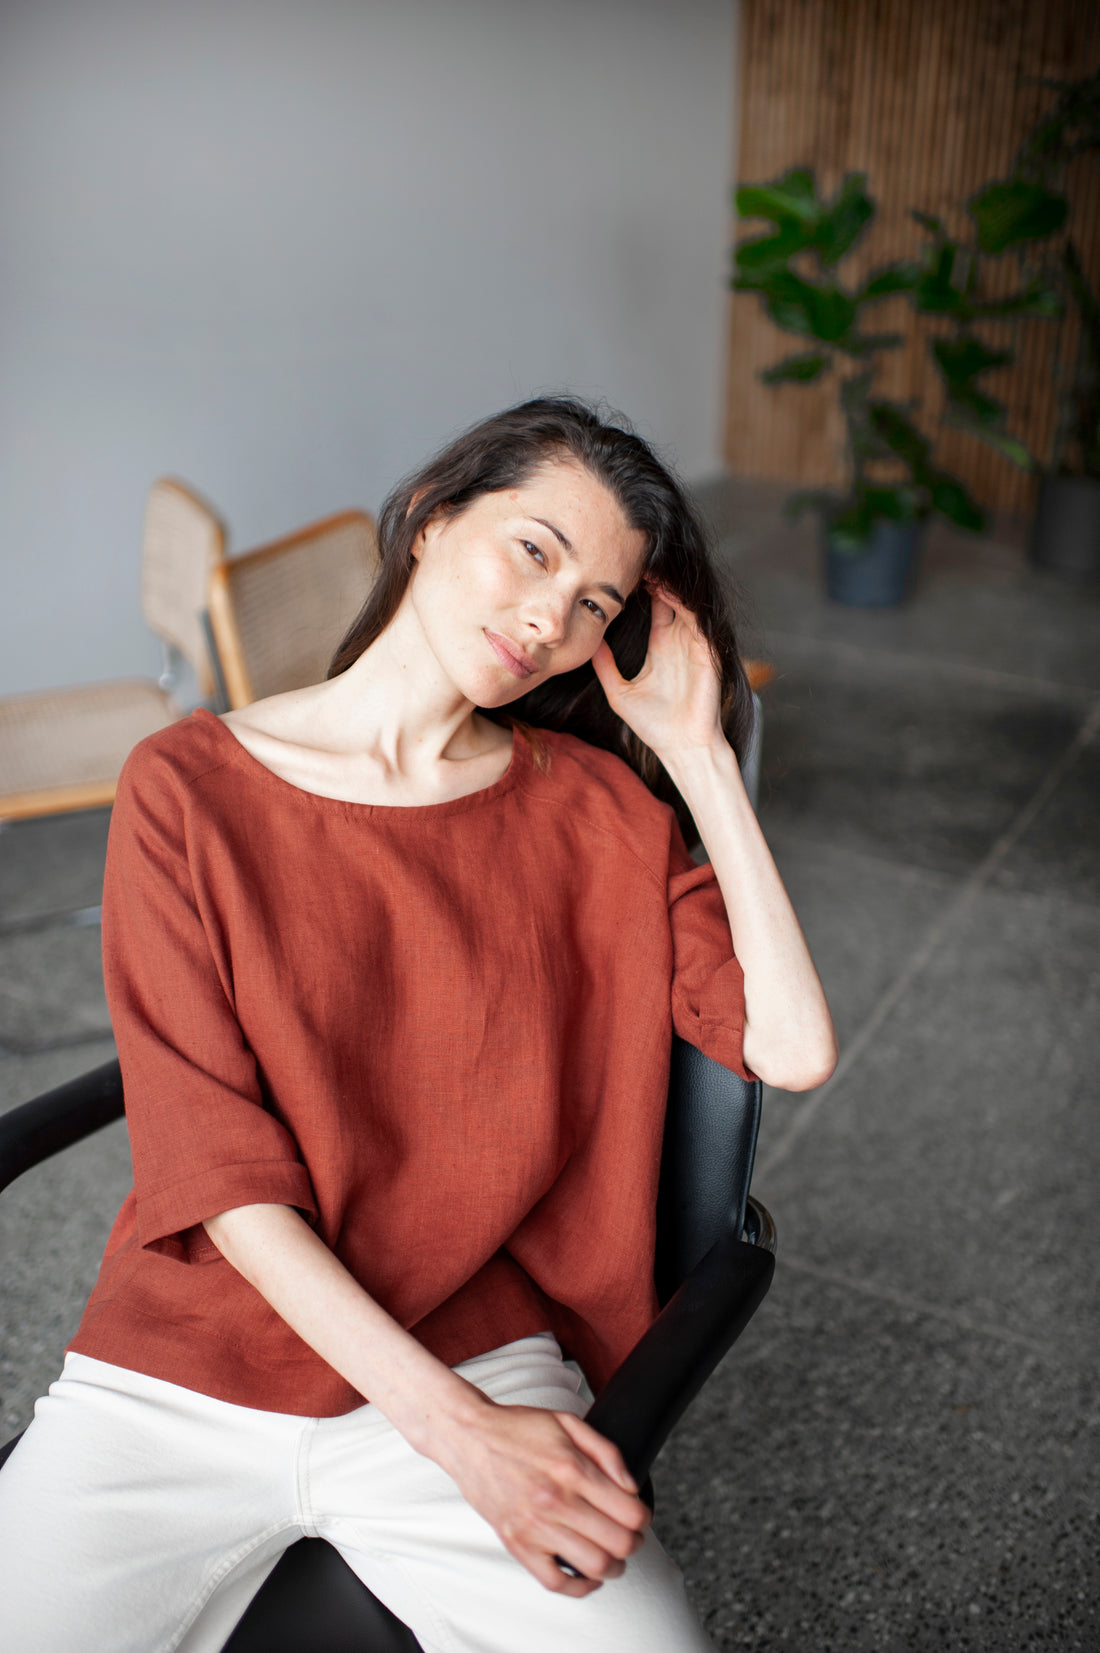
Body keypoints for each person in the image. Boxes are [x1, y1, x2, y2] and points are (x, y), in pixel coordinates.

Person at [0, 397, 836, 1652]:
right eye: (536, 551)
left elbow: (794, 1048)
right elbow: (221, 1175)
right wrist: (460, 1438)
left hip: (484, 1346)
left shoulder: (599, 814)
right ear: (431, 521)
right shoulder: (186, 789)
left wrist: (701, 759)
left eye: (599, 604)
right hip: (190, 1370)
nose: (555, 618)